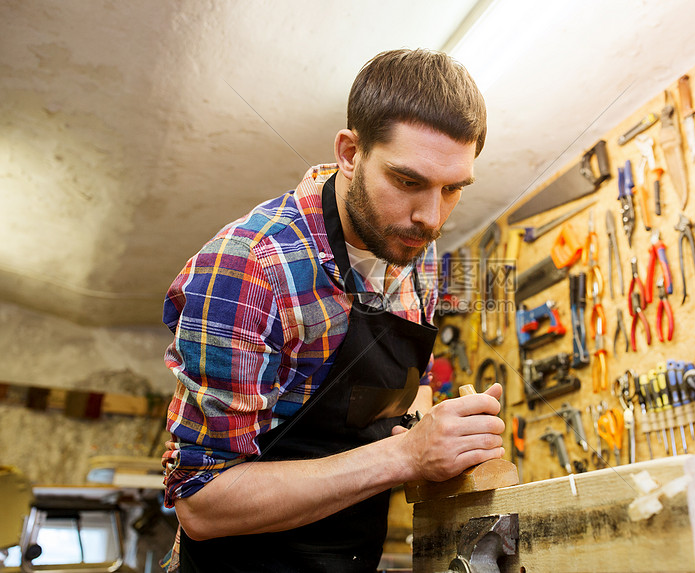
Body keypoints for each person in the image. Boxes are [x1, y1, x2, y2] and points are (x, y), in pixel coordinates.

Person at [159, 48, 505, 572]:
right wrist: (406, 456)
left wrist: (440, 430)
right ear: (349, 153)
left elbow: (401, 392)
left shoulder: (412, 246)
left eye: (453, 188)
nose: (432, 217)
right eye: (408, 182)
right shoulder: (250, 267)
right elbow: (200, 504)